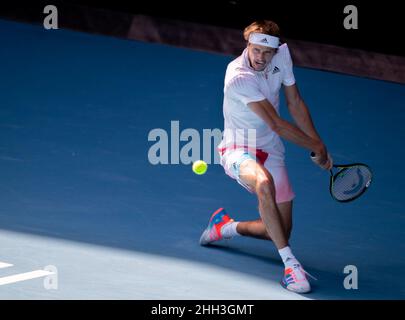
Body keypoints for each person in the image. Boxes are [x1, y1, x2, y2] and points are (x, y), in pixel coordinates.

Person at [199, 20, 333, 294]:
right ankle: (290, 266)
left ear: (275, 51)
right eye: (255, 49)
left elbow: (295, 103)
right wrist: (315, 148)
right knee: (263, 182)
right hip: (238, 148)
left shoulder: (282, 56)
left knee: (280, 229)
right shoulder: (238, 76)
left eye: (266, 52)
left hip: (270, 148)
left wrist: (319, 144)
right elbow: (276, 123)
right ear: (247, 44)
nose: (260, 58)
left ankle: (225, 227)